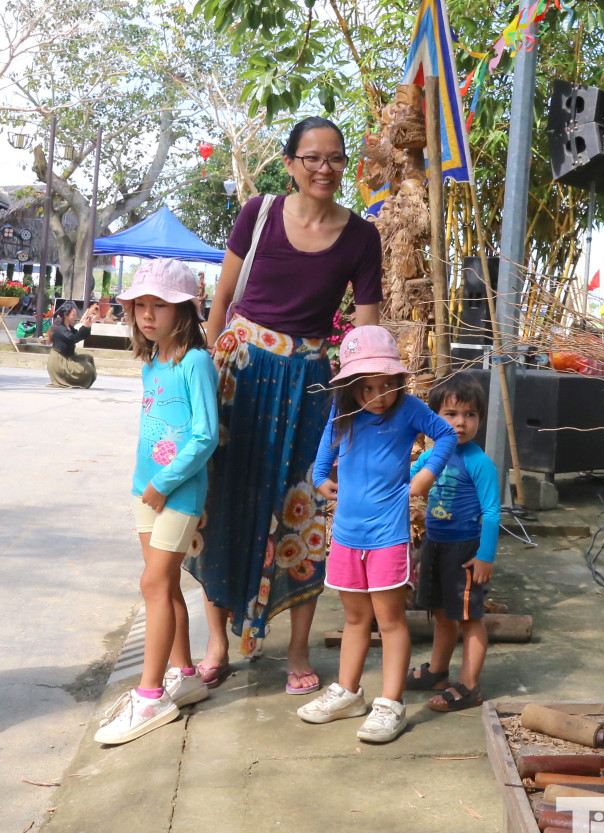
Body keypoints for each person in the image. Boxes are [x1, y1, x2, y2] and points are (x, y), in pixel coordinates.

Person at [185, 116, 383, 694]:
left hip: (311, 388)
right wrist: (203, 376)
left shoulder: (361, 237)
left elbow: (365, 330)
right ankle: (217, 644)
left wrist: (366, 400)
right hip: (239, 375)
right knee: (222, 502)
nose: (325, 168)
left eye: (336, 157)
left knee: (307, 510)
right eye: (312, 157)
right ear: (291, 163)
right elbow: (222, 297)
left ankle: (297, 651)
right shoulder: (259, 213)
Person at [298, 326, 456, 743]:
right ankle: (348, 693)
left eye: (387, 384)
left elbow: (446, 434)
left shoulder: (409, 409)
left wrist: (426, 474)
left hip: (388, 535)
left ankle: (391, 704)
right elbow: (326, 447)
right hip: (346, 535)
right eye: (368, 387)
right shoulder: (343, 411)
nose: (379, 395)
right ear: (351, 386)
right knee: (354, 618)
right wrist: (320, 477)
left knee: (389, 620)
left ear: (398, 380)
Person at [94, 260, 218, 745]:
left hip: (176, 491)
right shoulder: (152, 363)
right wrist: (147, 484)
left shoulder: (195, 362)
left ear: (183, 311)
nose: (147, 314)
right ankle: (183, 675)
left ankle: (150, 697)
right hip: (144, 489)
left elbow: (205, 435)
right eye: (140, 304)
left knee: (153, 583)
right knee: (163, 585)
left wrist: (165, 483)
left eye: (159, 305)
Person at [405, 374, 501, 713]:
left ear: (480, 420)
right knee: (441, 613)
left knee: (469, 618)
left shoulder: (479, 463)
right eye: (451, 414)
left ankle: (470, 686)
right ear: (434, 419)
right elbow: (407, 479)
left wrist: (485, 556)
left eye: (470, 415)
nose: (461, 422)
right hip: (434, 544)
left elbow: (492, 512)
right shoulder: (432, 457)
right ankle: (438, 672)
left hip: (464, 551)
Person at [46, 300, 100, 388]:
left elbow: (80, 335)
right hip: (60, 361)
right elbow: (73, 339)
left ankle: (82, 382)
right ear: (66, 315)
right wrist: (84, 326)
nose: (75, 317)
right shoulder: (60, 329)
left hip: (69, 357)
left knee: (88, 358)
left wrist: (88, 326)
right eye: (73, 315)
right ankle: (73, 381)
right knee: (87, 368)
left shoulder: (69, 327)